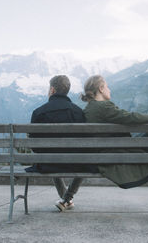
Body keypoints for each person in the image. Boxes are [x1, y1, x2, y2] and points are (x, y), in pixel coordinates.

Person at [27, 75, 97, 212]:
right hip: (76, 164)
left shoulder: (38, 112)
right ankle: (67, 198)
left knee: (49, 155)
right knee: (84, 159)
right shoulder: (78, 112)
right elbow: (86, 144)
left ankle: (66, 198)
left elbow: (35, 146)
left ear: (52, 90)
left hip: (48, 164)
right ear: (67, 91)